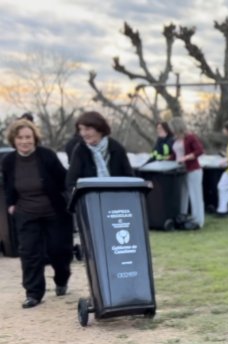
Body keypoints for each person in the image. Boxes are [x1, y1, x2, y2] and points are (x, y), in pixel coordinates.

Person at [1, 119, 73, 308]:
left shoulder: (46, 156)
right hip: (26, 213)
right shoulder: (8, 161)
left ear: (34, 138)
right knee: (29, 254)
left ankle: (62, 279)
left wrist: (68, 200)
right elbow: (8, 185)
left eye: (28, 137)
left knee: (58, 250)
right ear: (13, 140)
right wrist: (11, 205)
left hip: (54, 212)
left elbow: (64, 180)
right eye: (20, 138)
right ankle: (33, 293)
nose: (24, 141)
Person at [66, 111, 133, 191]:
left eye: (87, 129)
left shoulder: (117, 149)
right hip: (89, 199)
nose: (83, 133)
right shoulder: (80, 150)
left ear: (100, 129)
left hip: (117, 197)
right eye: (81, 129)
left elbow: (130, 179)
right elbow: (70, 183)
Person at [169, 117, 206, 228]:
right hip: (181, 171)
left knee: (195, 195)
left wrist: (186, 158)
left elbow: (199, 151)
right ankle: (183, 217)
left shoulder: (190, 137)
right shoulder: (175, 139)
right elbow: (175, 155)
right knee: (183, 195)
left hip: (193, 170)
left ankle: (198, 220)